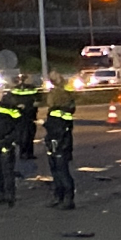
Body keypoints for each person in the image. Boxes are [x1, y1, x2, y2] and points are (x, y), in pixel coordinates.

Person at [43, 82, 77, 211]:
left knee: (63, 172)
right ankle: (59, 196)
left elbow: (59, 128)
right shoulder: (54, 111)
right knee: (56, 172)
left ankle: (68, 199)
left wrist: (46, 125)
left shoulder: (60, 112)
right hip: (54, 144)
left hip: (61, 145)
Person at [11, 73, 42, 163]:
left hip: (31, 114)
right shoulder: (16, 89)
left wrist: (37, 102)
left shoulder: (32, 88)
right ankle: (23, 153)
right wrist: (17, 106)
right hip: (22, 115)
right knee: (23, 135)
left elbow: (39, 97)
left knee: (31, 134)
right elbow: (12, 100)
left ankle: (29, 153)